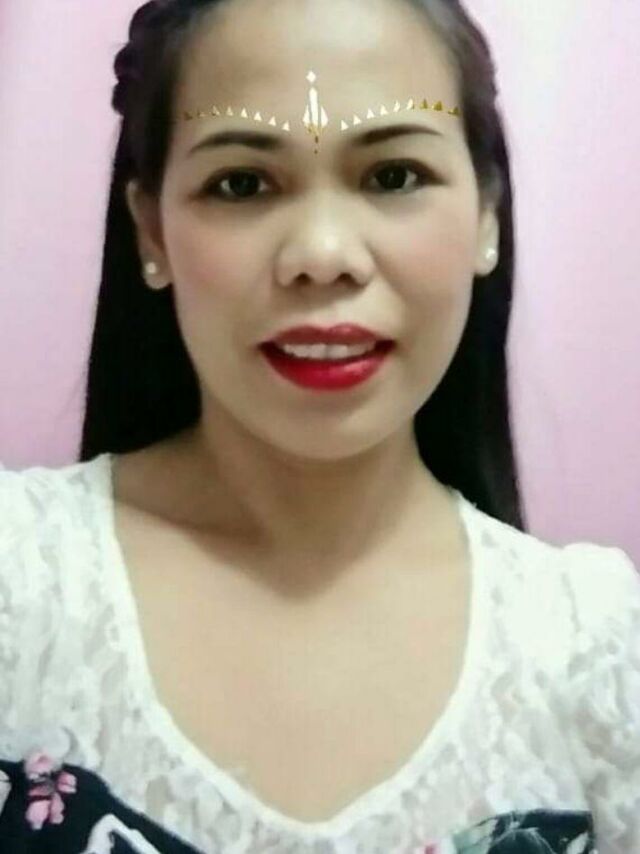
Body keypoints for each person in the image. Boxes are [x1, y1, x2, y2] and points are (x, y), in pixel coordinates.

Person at [1, 0, 638, 851]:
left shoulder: (601, 650)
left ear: (487, 213)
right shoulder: (19, 587)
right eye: (242, 183)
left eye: (394, 176)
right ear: (151, 228)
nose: (324, 254)